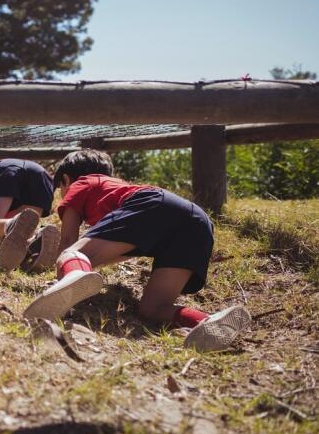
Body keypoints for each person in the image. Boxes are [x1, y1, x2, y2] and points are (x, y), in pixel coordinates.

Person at [23, 149, 251, 352]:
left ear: (65, 180)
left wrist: (59, 273)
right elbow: (123, 248)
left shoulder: (81, 183)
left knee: (71, 255)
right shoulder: (117, 193)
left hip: (156, 204)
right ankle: (210, 322)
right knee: (153, 308)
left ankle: (74, 275)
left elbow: (69, 240)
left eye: (60, 190)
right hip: (198, 222)